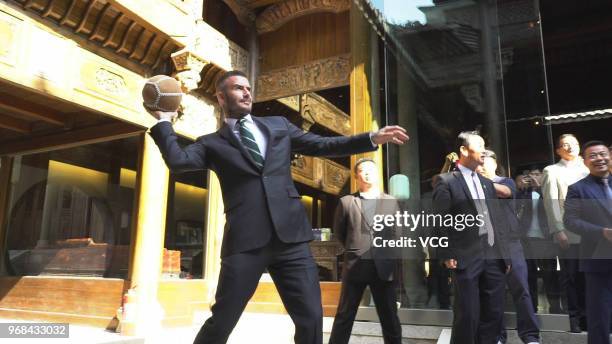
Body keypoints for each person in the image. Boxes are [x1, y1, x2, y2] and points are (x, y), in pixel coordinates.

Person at [145, 70, 409, 344]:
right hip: (246, 241)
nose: (247, 93)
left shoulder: (278, 125)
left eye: (248, 88)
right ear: (221, 97)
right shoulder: (212, 143)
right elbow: (178, 161)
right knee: (223, 318)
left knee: (310, 317)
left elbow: (323, 145)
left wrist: (370, 139)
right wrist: (164, 121)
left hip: (291, 239)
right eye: (238, 88)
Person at [433, 131, 511, 344]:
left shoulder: (487, 184)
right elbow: (440, 220)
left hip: (494, 255)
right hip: (465, 255)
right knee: (467, 313)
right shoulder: (446, 181)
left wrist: (505, 255)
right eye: (480, 145)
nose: (485, 150)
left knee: (494, 311)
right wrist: (446, 252)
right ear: (464, 150)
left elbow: (496, 219)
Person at [329, 158, 402, 344]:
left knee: (390, 318)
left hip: (383, 269)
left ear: (377, 173)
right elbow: (340, 233)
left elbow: (397, 234)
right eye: (363, 170)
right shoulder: (347, 202)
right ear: (356, 176)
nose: (368, 173)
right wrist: (355, 248)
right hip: (355, 267)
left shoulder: (391, 202)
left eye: (371, 169)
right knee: (345, 315)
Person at [481, 151, 540, 344]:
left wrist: (475, 181)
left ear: (494, 163)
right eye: (478, 159)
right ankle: (498, 336)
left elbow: (504, 193)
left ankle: (530, 336)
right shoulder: (472, 184)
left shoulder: (506, 181)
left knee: (521, 289)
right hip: (486, 244)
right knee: (493, 294)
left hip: (510, 243)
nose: (480, 162)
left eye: (485, 159)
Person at [564, 141, 612, 344]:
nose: (599, 158)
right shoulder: (578, 189)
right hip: (597, 258)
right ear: (584, 161)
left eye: (603, 154)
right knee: (599, 315)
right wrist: (601, 232)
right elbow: (571, 221)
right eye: (593, 156)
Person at [541, 134, 589, 332]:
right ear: (558, 150)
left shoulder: (589, 168)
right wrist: (558, 229)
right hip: (570, 233)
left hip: (595, 233)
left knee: (593, 277)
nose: (570, 148)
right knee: (572, 277)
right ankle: (576, 320)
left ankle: (592, 316)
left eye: (574, 144)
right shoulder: (552, 171)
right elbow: (551, 203)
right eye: (565, 145)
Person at [515, 168, 561, 314]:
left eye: (536, 174)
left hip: (545, 239)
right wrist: (521, 189)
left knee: (550, 276)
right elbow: (515, 209)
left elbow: (552, 207)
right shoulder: (523, 194)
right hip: (526, 240)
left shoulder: (546, 192)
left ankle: (555, 309)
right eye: (529, 175)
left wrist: (540, 188)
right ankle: (531, 310)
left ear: (543, 176)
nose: (533, 177)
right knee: (529, 276)